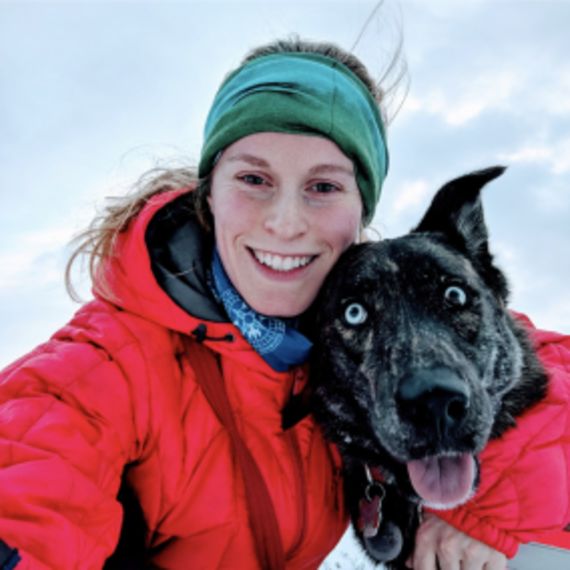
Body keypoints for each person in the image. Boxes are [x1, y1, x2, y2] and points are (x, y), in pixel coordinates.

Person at [0, 37, 569, 570]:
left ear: (359, 211)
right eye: (254, 178)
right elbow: (29, 477)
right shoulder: (103, 369)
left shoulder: (351, 300)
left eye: (323, 187)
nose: (286, 222)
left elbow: (540, 361)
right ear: (210, 193)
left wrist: (496, 504)